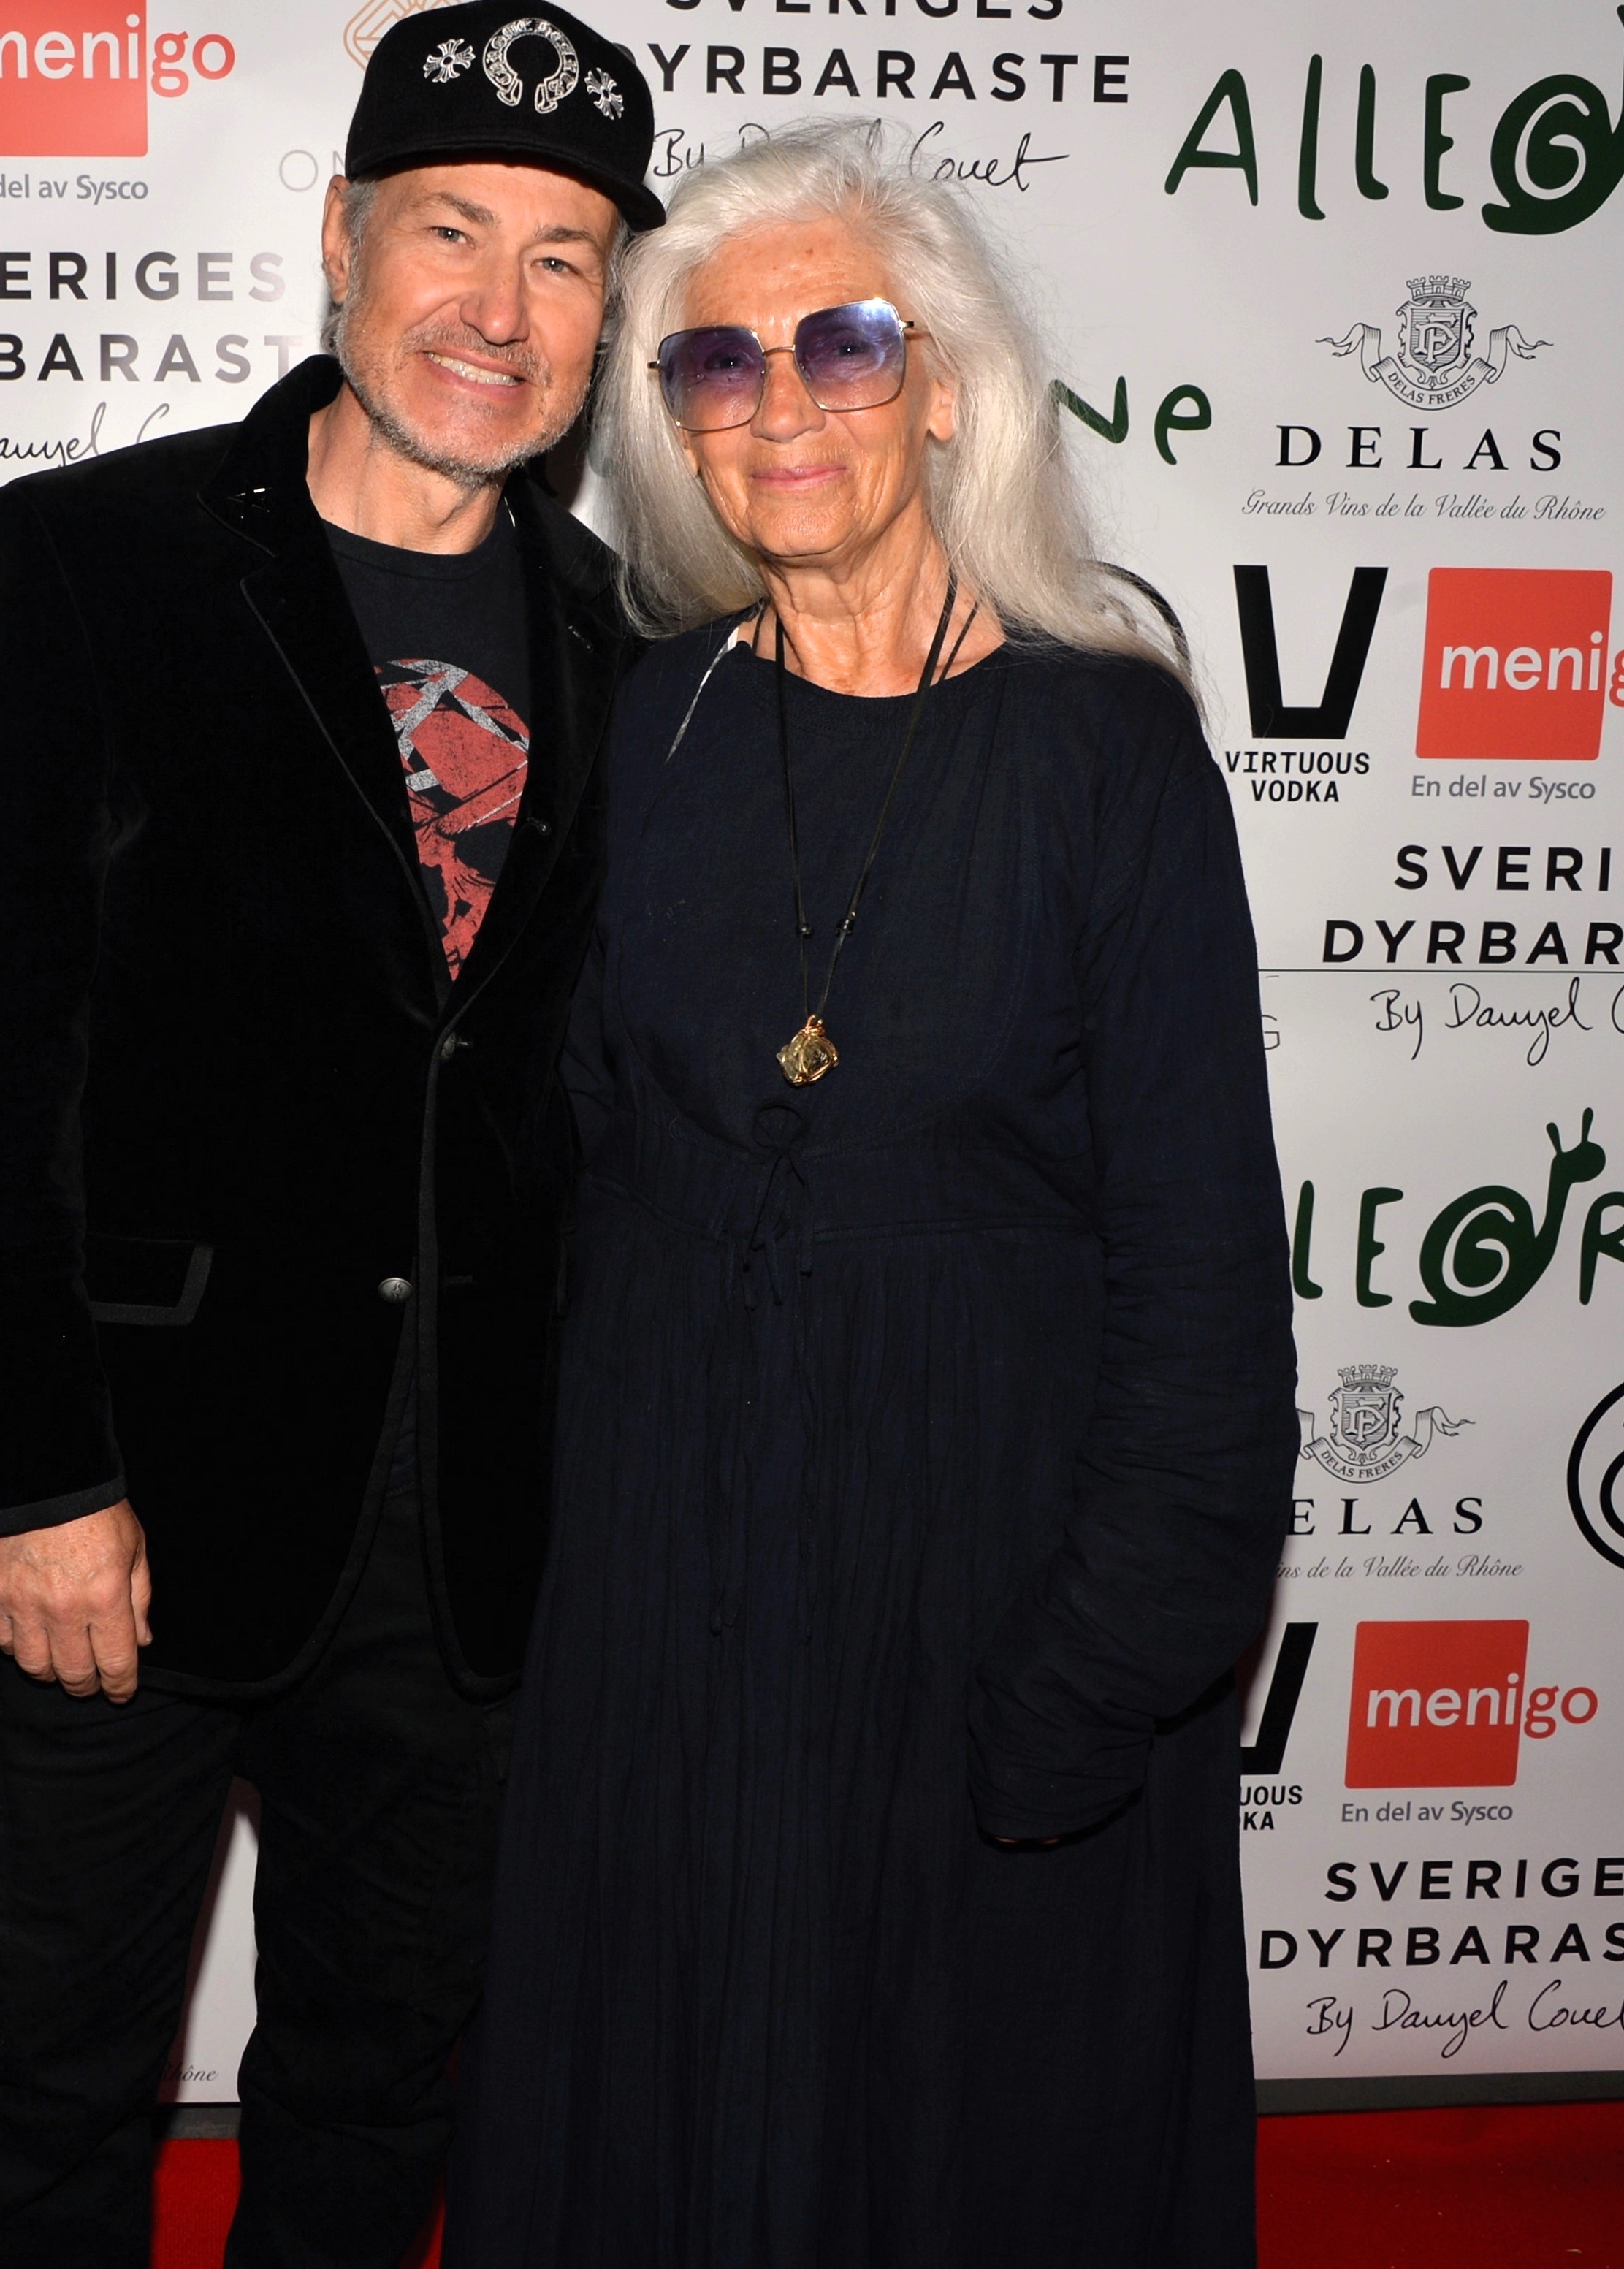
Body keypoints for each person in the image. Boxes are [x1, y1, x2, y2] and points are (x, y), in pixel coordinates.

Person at [443, 120, 1297, 2268]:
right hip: (666, 1640)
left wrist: (1085, 1689)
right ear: (673, 429)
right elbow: (547, 1186)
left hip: (990, 1631)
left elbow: (1204, 1285)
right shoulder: (643, 732)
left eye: (840, 344)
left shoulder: (1108, 753)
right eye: (714, 364)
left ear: (942, 386)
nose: (782, 404)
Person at [0, 0, 659, 2269]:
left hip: (470, 1544)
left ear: (609, 308)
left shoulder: (621, 635)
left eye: (561, 256)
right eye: (450, 231)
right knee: (48, 2084)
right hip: (129, 1502)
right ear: (340, 237)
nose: (498, 306)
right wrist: (32, 1476)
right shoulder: (97, 556)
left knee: (378, 2081)